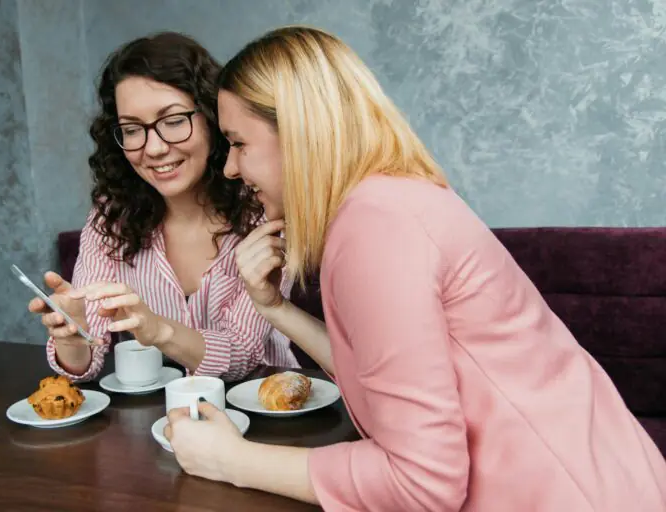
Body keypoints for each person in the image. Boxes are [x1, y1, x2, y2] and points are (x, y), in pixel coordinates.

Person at [163, 26, 666, 510]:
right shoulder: (386, 202)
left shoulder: (374, 230)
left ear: (300, 134)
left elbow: (422, 482)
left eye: (239, 143)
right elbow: (388, 381)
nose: (229, 167)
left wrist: (233, 460)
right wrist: (275, 309)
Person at [27, 32, 298, 383]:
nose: (153, 149)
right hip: (158, 421)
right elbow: (83, 366)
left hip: (268, 410)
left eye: (172, 121)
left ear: (212, 119)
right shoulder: (111, 217)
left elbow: (242, 357)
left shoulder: (264, 209)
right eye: (132, 129)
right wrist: (74, 337)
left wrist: (159, 331)